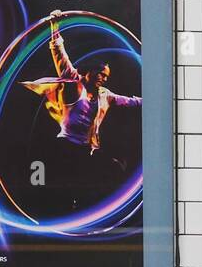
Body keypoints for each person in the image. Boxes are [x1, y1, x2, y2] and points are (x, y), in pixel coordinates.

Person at [22, 12, 141, 209]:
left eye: (106, 76)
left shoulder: (106, 95)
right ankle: (57, 210)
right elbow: (59, 54)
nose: (103, 78)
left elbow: (133, 102)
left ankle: (79, 209)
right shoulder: (74, 85)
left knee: (94, 180)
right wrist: (55, 26)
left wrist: (157, 96)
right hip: (64, 146)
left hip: (86, 150)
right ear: (89, 71)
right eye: (100, 73)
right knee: (64, 186)